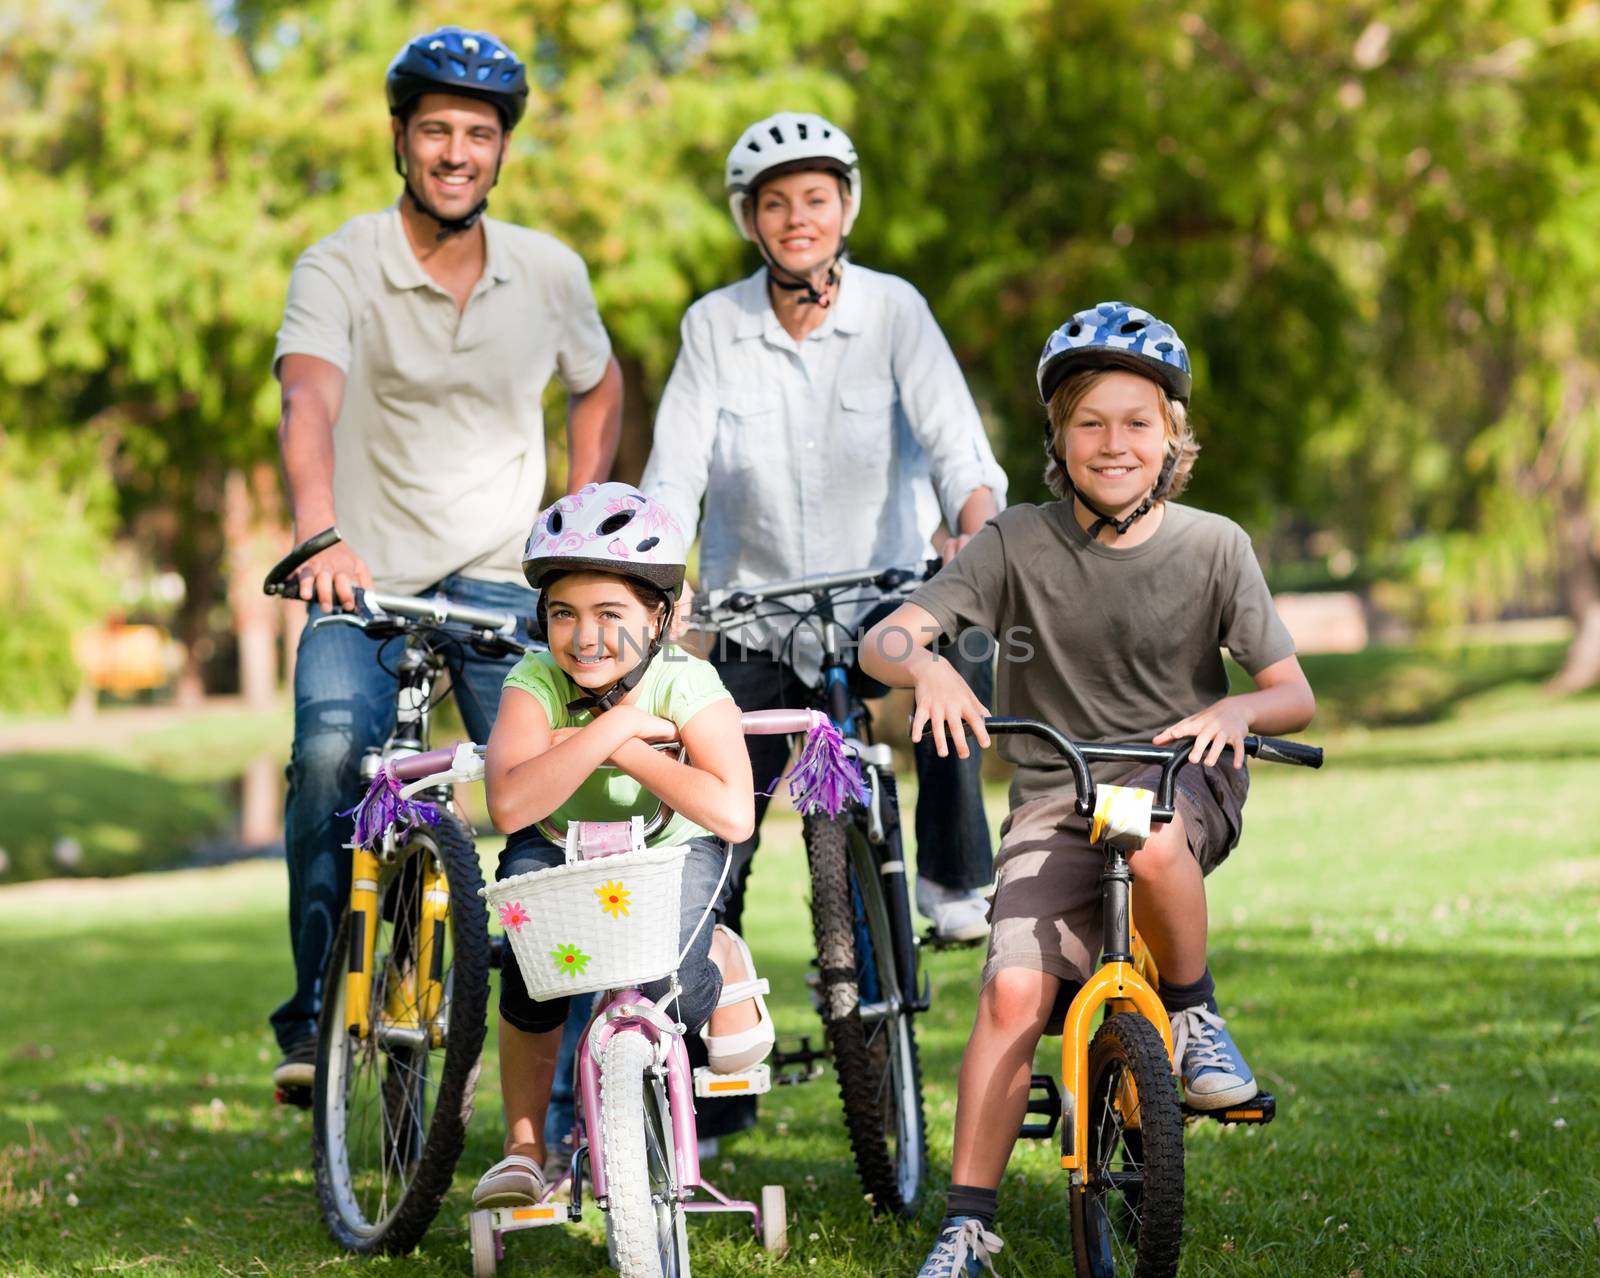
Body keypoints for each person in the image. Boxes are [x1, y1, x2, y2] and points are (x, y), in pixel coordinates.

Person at [859, 302, 1316, 1276]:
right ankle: (967, 1222)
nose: (1114, 443)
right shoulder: (1017, 542)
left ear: (1172, 439)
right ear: (1057, 440)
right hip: (1052, 793)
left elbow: (1292, 693)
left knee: (1146, 836)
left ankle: (1191, 1015)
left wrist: (1236, 713)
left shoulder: (1212, 546)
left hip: (1179, 781)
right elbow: (884, 639)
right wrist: (930, 669)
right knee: (1012, 989)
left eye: (1136, 422)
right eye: (1089, 422)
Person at [268, 24, 623, 1094]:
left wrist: (575, 516)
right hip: (363, 577)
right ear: (400, 140)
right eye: (436, 130)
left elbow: (596, 383)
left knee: (547, 805)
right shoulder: (340, 262)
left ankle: (552, 1063)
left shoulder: (549, 270)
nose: (457, 150)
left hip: (505, 586)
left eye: (478, 132)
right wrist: (319, 532)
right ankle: (321, 1014)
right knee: (333, 753)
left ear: (501, 148)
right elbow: (308, 395)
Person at [641, 110, 1008, 949]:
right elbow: (673, 475)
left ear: (846, 209)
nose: (797, 217)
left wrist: (975, 540)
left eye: (815, 198)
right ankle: (702, 982)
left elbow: (962, 453)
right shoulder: (712, 327)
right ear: (751, 220)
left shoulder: (894, 311)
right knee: (719, 818)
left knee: (966, 645)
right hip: (754, 620)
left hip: (884, 602)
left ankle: (952, 878)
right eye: (775, 204)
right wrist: (663, 570)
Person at [471, 483, 773, 1206]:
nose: (584, 635)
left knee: (670, 977)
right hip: (556, 840)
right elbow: (511, 801)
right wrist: (614, 729)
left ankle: (720, 955)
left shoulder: (688, 682)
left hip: (673, 846)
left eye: (611, 614)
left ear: (659, 617)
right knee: (530, 970)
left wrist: (629, 751)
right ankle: (524, 1146)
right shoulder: (533, 681)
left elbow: (734, 813)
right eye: (563, 614)